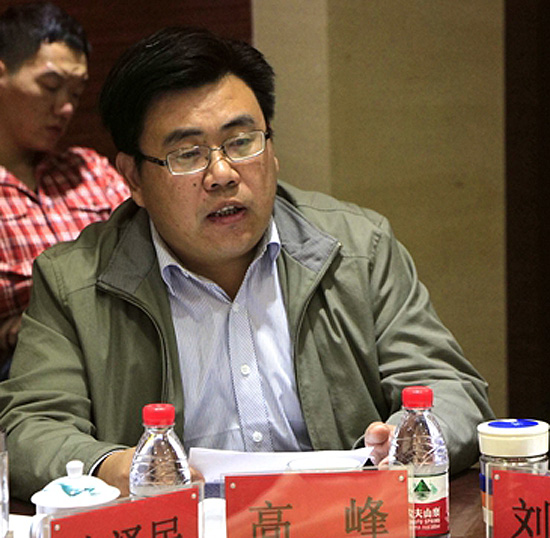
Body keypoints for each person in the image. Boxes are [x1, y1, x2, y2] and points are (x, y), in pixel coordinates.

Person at [0, 26, 494, 500]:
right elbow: (29, 428)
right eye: (187, 154)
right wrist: (114, 466)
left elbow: (450, 388)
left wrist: (408, 440)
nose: (222, 174)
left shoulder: (359, 250)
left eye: (241, 142)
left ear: (272, 150)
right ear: (132, 177)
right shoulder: (73, 282)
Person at [0, 2, 129, 379]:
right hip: (23, 367)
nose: (67, 107)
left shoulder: (91, 171)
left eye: (76, 91)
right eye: (51, 87)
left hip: (114, 344)